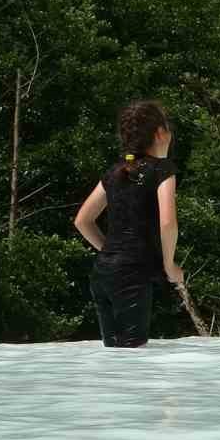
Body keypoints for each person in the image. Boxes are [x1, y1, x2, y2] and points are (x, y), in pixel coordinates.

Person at [73, 100, 184, 348]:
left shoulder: (116, 172)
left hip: (102, 273)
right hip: (132, 275)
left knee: (116, 358)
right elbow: (168, 223)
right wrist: (169, 265)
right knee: (133, 357)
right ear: (160, 133)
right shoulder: (162, 169)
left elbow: (83, 220)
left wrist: (110, 253)